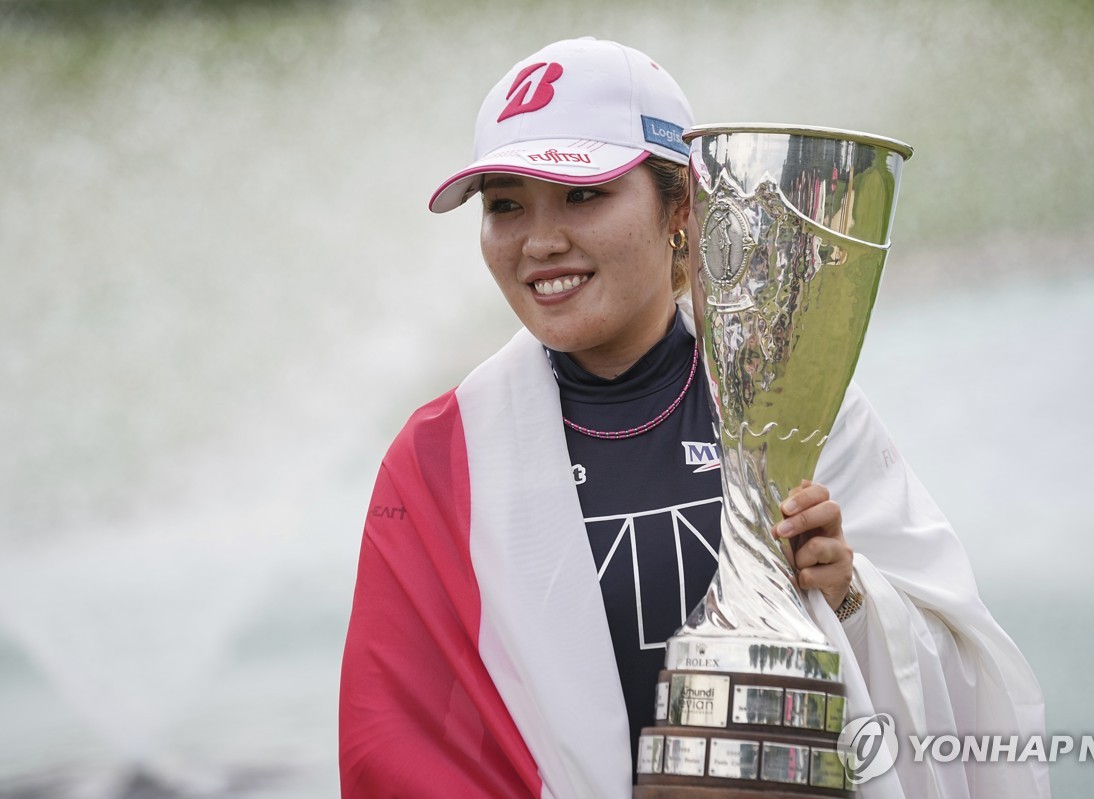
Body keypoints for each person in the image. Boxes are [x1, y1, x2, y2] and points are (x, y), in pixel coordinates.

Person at [339, 37, 1048, 799]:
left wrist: (851, 598)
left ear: (681, 205)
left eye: (584, 194)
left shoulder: (802, 398)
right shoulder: (440, 460)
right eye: (506, 205)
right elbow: (395, 745)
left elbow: (971, 676)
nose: (541, 241)